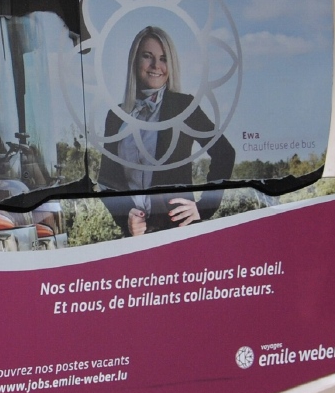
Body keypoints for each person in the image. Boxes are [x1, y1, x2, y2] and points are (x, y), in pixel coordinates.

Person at [100, 25, 234, 236]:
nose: (156, 65)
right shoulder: (116, 116)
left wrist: (205, 206)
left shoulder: (183, 106)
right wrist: (126, 218)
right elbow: (106, 181)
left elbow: (224, 152)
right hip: (135, 237)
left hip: (178, 232)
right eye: (147, 56)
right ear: (135, 60)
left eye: (163, 59)